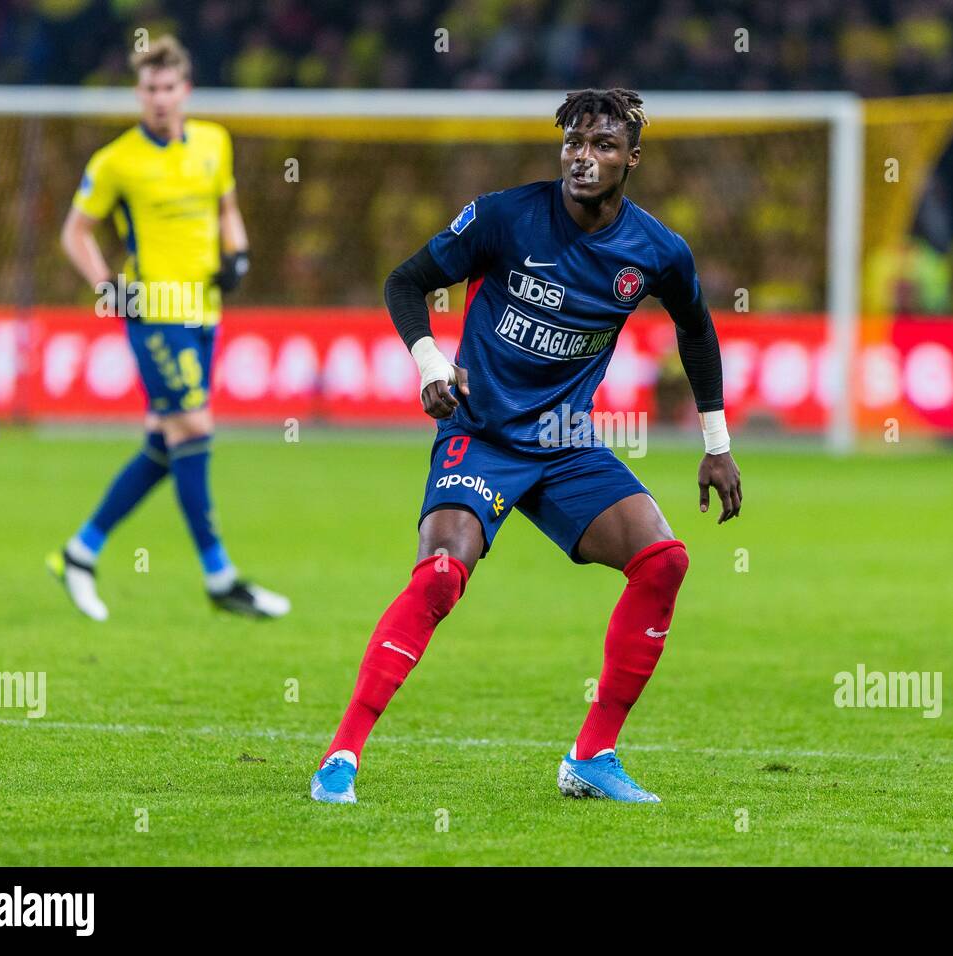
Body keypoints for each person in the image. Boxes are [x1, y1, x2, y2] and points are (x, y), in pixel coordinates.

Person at [311, 88, 742, 804]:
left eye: (603, 145)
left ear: (632, 158)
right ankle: (341, 758)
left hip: (567, 441)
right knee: (442, 576)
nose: (584, 156)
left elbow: (696, 326)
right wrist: (430, 365)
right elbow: (407, 282)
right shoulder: (504, 217)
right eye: (574, 142)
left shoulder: (656, 250)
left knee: (663, 561)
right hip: (481, 433)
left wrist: (716, 442)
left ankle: (592, 756)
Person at [47, 35, 289, 621]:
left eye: (168, 87)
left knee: (167, 438)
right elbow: (74, 233)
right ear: (139, 93)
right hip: (155, 312)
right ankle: (219, 575)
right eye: (149, 89)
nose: (159, 98)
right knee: (195, 426)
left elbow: (227, 208)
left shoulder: (213, 142)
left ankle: (80, 551)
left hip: (205, 311)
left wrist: (240, 253)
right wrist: (108, 286)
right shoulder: (116, 160)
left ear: (186, 90)